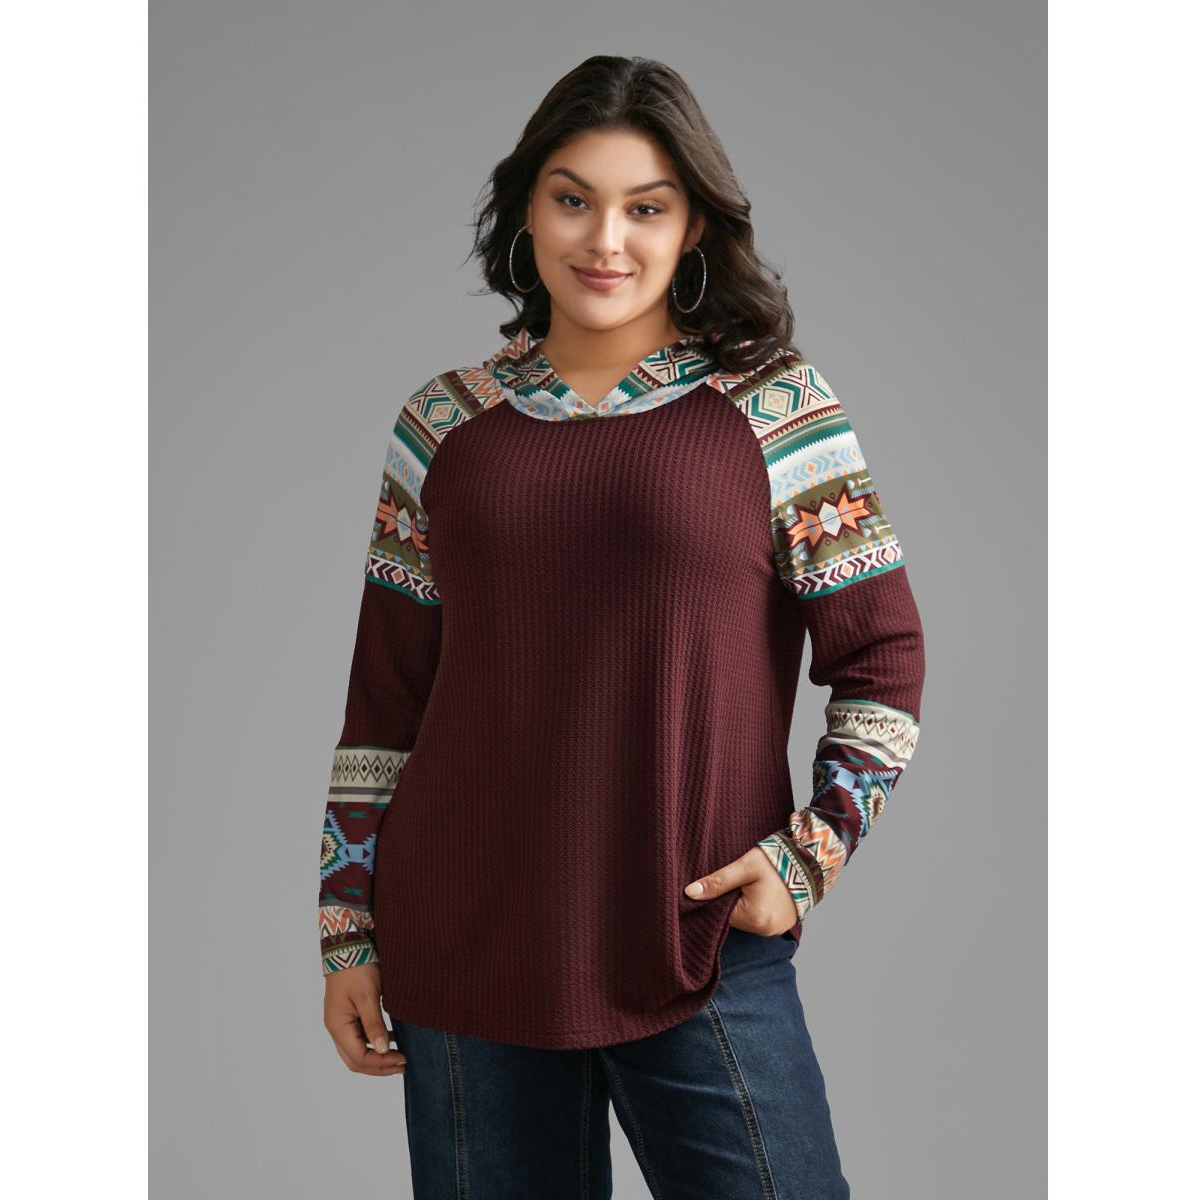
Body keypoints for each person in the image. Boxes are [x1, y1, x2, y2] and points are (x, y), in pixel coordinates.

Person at [318, 55, 925, 1199]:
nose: (606, 239)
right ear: (526, 213)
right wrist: (347, 929)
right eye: (573, 199)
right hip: (465, 951)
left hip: (696, 935)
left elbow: (883, 657)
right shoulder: (441, 426)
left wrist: (811, 854)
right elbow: (386, 704)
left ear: (693, 227)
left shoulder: (777, 411)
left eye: (646, 207)